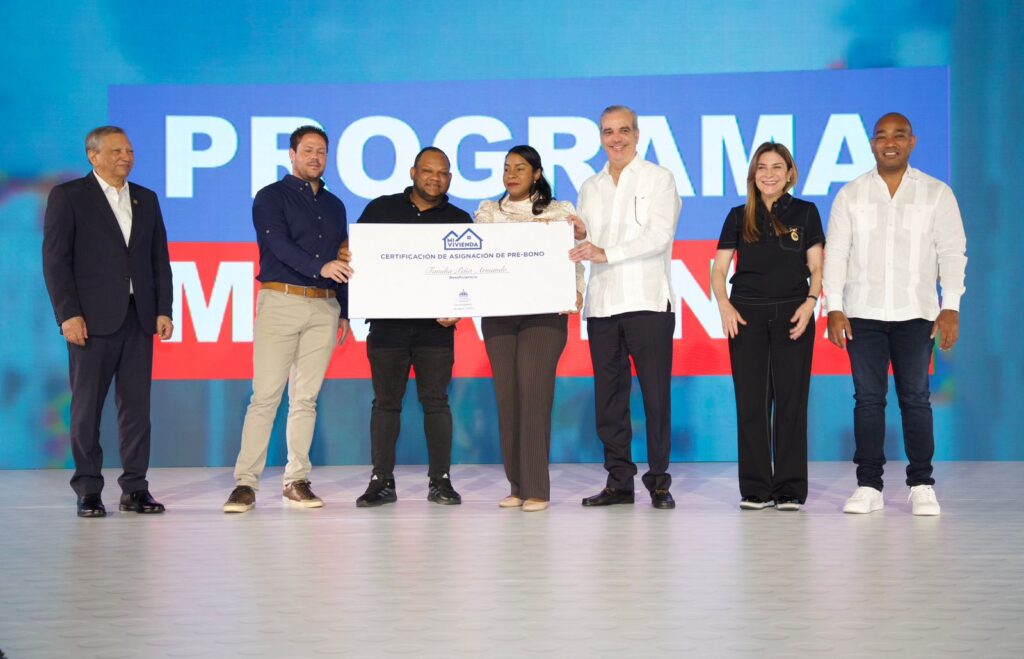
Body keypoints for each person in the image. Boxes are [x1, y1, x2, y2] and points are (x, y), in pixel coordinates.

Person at [824, 112, 967, 516]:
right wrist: (834, 307)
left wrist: (951, 306)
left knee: (916, 399)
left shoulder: (936, 193)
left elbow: (952, 252)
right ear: (872, 144)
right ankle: (868, 486)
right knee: (868, 400)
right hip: (862, 313)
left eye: (899, 135)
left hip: (916, 313)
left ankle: (921, 484)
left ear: (912, 142)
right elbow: (836, 254)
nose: (890, 143)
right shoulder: (851, 194)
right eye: (882, 136)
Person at [42, 126, 174, 517]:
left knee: (136, 410)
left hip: (139, 318)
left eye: (129, 150)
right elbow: (56, 262)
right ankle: (88, 489)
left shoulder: (146, 198)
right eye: (116, 151)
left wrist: (163, 309)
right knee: (87, 409)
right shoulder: (69, 196)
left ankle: (135, 489)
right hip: (90, 321)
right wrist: (68, 314)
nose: (125, 157)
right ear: (93, 155)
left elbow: (159, 260)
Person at [223, 125, 352, 513]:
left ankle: (296, 480)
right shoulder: (270, 197)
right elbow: (277, 245)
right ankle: (245, 484)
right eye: (308, 150)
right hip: (281, 301)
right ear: (292, 155)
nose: (315, 157)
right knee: (265, 396)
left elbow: (342, 258)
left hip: (324, 308)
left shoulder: (335, 206)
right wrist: (320, 267)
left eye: (322, 151)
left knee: (306, 398)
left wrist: (344, 309)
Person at [569, 105, 681, 509]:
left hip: (646, 301)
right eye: (607, 132)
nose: (615, 139)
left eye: (622, 131)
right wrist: (578, 232)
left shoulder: (658, 178)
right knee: (609, 402)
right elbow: (586, 243)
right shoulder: (590, 186)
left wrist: (606, 251)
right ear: (600, 137)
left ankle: (660, 482)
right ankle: (619, 481)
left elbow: (659, 235)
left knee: (655, 398)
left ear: (636, 135)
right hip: (602, 305)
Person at [353, 147, 472, 508]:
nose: (435, 178)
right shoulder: (380, 209)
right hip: (387, 326)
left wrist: (461, 309)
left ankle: (441, 480)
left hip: (435, 329)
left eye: (443, 173)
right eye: (428, 171)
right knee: (386, 403)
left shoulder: (459, 219)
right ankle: (381, 480)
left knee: (436, 403)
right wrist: (345, 250)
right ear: (413, 173)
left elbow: (470, 276)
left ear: (450, 178)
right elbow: (354, 252)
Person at [711, 142, 824, 512]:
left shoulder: (806, 212)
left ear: (789, 173)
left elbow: (817, 266)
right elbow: (719, 269)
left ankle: (790, 488)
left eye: (777, 167)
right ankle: (756, 488)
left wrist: (811, 302)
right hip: (746, 314)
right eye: (762, 167)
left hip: (794, 313)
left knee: (792, 401)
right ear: (753, 174)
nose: (769, 174)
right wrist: (724, 304)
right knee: (752, 402)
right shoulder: (737, 215)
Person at [474, 146, 586, 512]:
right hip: (499, 314)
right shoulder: (488, 212)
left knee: (534, 397)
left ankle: (537, 488)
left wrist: (576, 291)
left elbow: (574, 258)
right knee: (507, 400)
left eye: (520, 168)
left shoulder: (560, 212)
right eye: (507, 168)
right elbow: (476, 258)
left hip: (544, 315)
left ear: (536, 174)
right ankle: (517, 485)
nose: (511, 174)